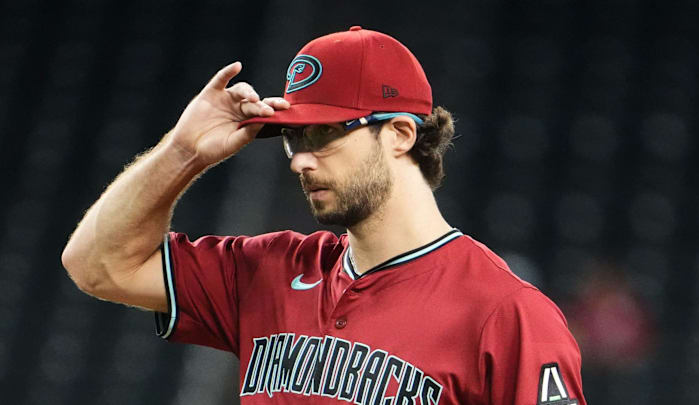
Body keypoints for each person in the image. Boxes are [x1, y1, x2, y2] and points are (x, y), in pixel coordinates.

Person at [62, 26, 586, 405]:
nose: (302, 159)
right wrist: (183, 152)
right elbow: (97, 265)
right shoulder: (267, 268)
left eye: (326, 134)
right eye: (293, 137)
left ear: (401, 134)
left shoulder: (506, 313)